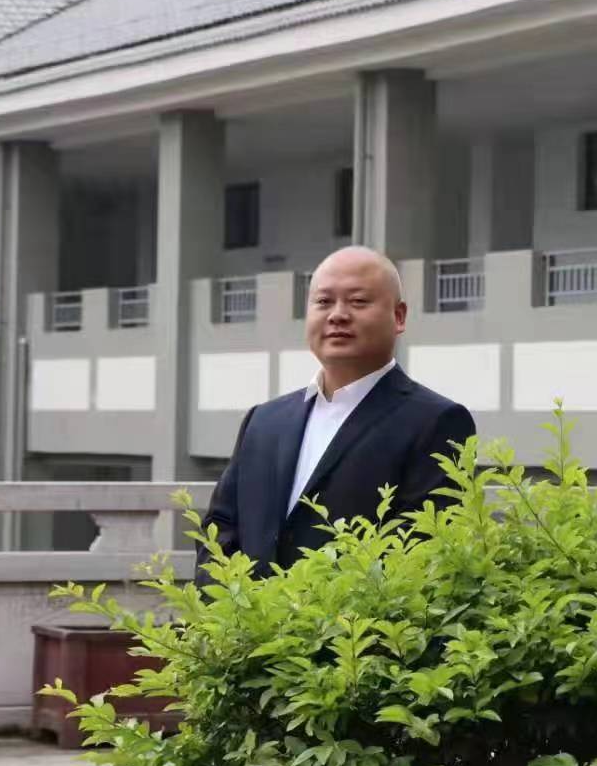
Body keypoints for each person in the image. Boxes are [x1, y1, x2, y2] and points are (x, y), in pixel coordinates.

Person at [196, 246, 476, 579]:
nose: (338, 315)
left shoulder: (438, 422)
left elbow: (421, 554)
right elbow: (220, 529)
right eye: (324, 301)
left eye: (358, 301)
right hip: (249, 614)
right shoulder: (264, 421)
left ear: (399, 316)